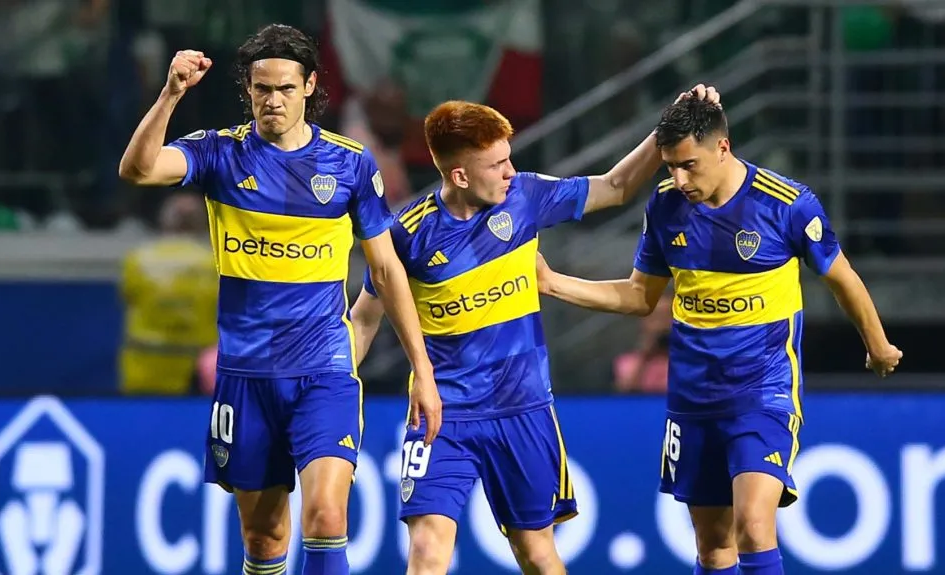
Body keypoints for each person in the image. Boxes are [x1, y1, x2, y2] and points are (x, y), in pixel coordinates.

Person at [348, 86, 722, 575]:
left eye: (509, 159)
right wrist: (332, 392)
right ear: (458, 175)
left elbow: (615, 187)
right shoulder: (407, 234)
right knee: (426, 548)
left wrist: (666, 127)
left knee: (537, 553)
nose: (509, 171)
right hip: (444, 413)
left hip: (523, 409)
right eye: (496, 164)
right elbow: (363, 319)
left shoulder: (525, 196)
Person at [117, 24, 441, 575]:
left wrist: (423, 370)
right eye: (262, 89)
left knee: (324, 514)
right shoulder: (221, 154)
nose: (274, 100)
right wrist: (171, 94)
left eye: (286, 89)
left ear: (310, 86)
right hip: (246, 375)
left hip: (324, 371)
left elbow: (386, 270)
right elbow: (138, 169)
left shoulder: (349, 165)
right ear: (247, 89)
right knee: (264, 537)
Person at [534, 96, 903, 575]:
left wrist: (877, 345)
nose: (680, 180)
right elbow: (638, 297)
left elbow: (842, 277)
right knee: (713, 547)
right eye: (670, 167)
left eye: (689, 165)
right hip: (693, 396)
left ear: (723, 147)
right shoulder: (665, 207)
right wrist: (554, 283)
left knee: (753, 523)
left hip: (762, 391)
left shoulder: (785, 204)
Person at [119, 192, 218, 395]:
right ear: (202, 221)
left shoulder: (137, 260)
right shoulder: (216, 262)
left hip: (145, 364)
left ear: (164, 220)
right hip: (198, 368)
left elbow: (128, 298)